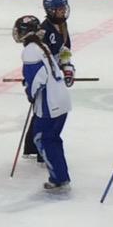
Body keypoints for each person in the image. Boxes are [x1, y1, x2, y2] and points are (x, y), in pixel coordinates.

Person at [15, 14, 71, 192]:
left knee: (43, 138)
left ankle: (58, 180)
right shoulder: (42, 46)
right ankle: (61, 176)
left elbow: (38, 78)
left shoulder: (30, 51)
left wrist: (30, 93)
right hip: (61, 99)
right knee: (52, 139)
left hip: (50, 104)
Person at [23, 0, 74, 159]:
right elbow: (39, 56)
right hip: (46, 77)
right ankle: (35, 149)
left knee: (45, 113)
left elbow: (65, 51)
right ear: (51, 10)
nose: (63, 11)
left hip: (55, 76)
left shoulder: (63, 26)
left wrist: (67, 67)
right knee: (42, 113)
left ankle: (35, 148)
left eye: (64, 8)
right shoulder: (44, 30)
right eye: (60, 9)